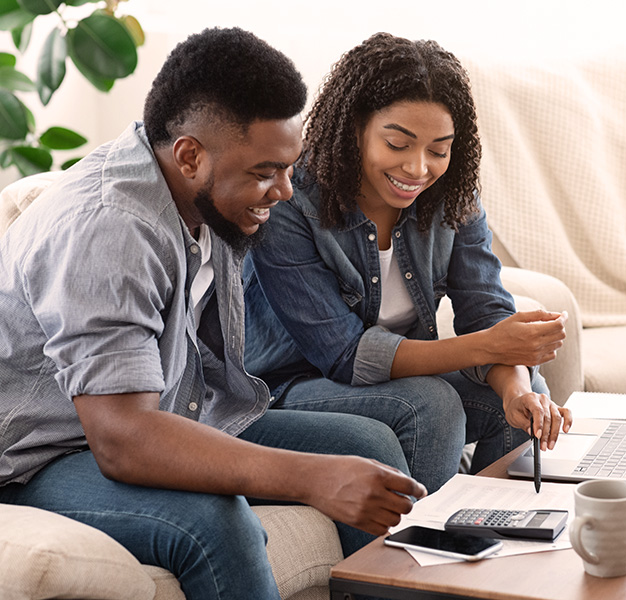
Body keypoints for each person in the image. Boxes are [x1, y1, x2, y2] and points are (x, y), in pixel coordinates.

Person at [0, 27, 426, 599]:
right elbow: (124, 437)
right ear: (190, 155)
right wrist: (312, 477)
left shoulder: (206, 197)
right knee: (214, 523)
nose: (283, 190)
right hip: (41, 456)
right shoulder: (110, 229)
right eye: (264, 171)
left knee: (370, 447)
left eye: (287, 168)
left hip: (168, 409)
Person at [243, 32, 573, 494]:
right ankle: (422, 557)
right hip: (288, 387)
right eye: (398, 144)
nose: (418, 169)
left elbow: (485, 310)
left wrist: (518, 387)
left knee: (521, 395)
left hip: (385, 382)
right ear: (355, 126)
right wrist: (492, 346)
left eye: (438, 150)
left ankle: (497, 539)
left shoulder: (452, 197)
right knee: (431, 405)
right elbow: (343, 355)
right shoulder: (292, 200)